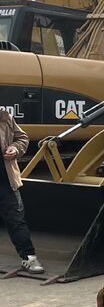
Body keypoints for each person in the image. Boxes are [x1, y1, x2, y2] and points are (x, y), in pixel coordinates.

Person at [0, 109, 44, 274]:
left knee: (16, 220)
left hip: (6, 181)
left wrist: (15, 149)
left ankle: (29, 258)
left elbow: (22, 138)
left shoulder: (4, 117)